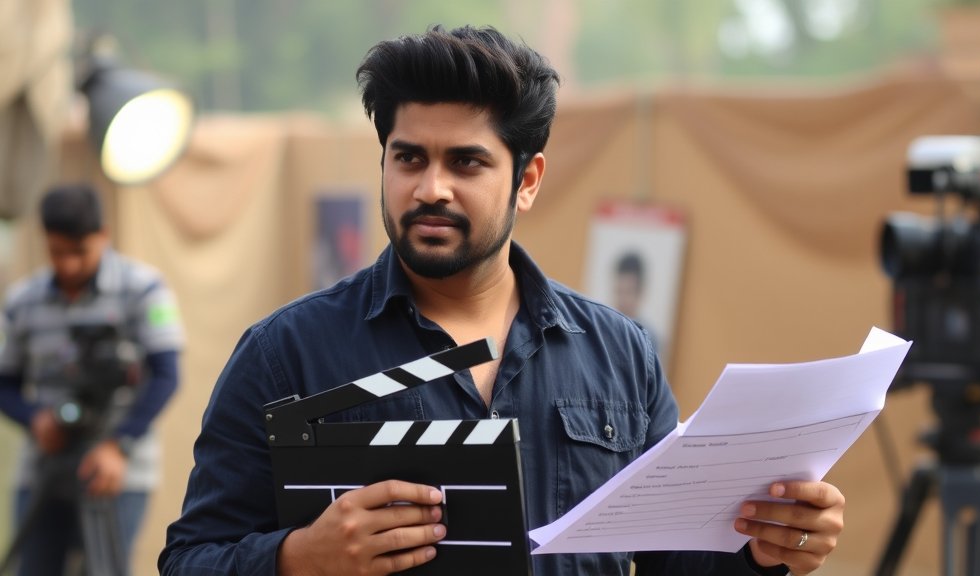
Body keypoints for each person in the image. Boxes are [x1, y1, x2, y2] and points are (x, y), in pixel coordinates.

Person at [159, 25, 844, 576]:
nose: (430, 188)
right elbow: (191, 558)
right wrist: (298, 560)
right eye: (408, 158)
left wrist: (766, 548)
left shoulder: (619, 354)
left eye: (466, 162)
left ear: (528, 179)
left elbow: (671, 559)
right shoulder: (286, 354)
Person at [0, 183, 185, 575]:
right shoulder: (22, 301)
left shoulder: (144, 291)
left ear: (103, 235)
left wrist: (119, 445)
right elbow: (4, 383)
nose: (67, 265)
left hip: (119, 472)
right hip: (43, 466)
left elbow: (167, 375)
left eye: (78, 252)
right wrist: (35, 419)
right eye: (56, 252)